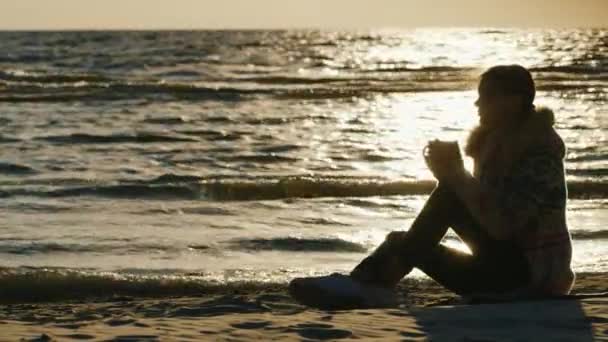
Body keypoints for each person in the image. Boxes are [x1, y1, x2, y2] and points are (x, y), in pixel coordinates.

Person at [290, 65, 575, 309]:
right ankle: (367, 284)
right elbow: (483, 216)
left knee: (443, 203)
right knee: (403, 242)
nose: (478, 104)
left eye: (487, 97)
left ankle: (367, 286)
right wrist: (447, 174)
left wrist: (457, 177)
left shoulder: (540, 154)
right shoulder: (496, 147)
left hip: (530, 278)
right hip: (500, 267)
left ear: (514, 101)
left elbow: (503, 227)